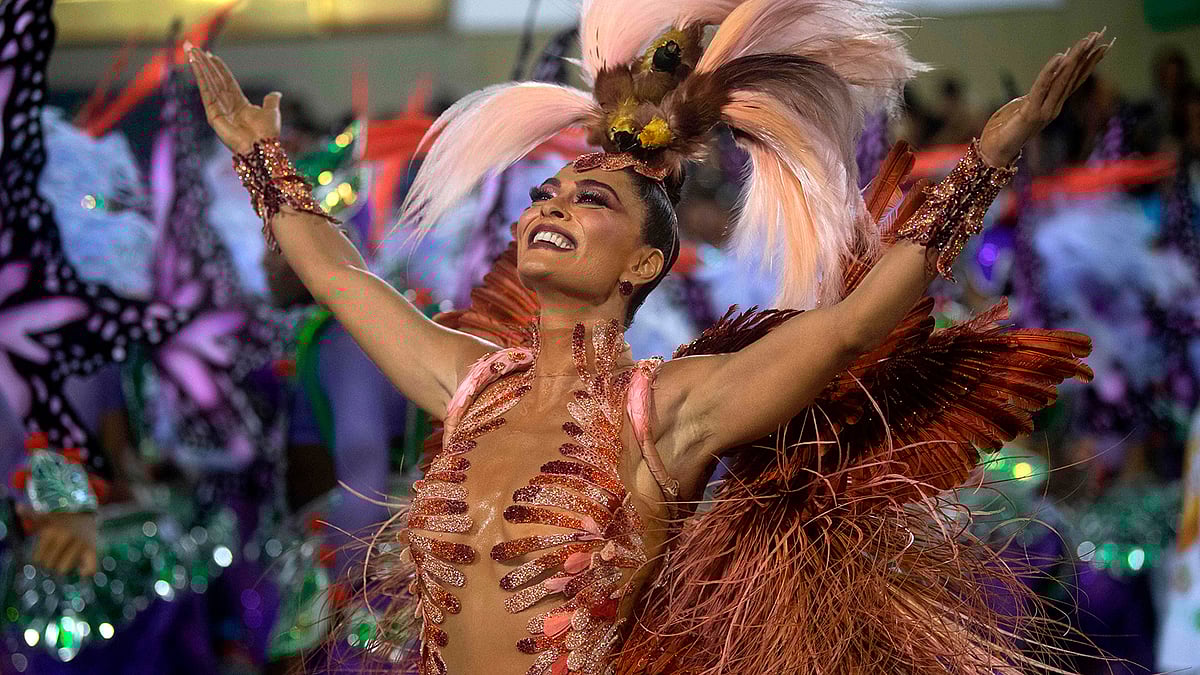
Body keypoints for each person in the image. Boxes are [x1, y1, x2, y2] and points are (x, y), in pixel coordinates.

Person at [186, 2, 1106, 671]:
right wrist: (258, 155)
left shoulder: (665, 410)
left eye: (591, 201)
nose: (551, 205)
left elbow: (849, 328)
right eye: (548, 193)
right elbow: (340, 279)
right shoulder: (470, 383)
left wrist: (987, 161)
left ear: (641, 267)